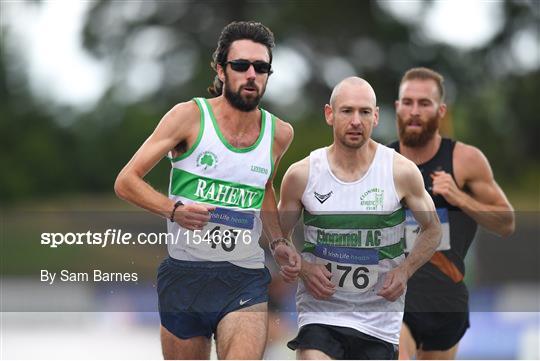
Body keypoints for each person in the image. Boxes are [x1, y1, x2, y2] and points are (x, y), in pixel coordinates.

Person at [114, 21, 301, 360]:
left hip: (244, 277)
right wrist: (174, 210)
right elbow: (126, 181)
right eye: (241, 65)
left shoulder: (279, 133)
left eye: (261, 68)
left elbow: (265, 189)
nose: (251, 75)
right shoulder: (188, 117)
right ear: (221, 69)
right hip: (186, 274)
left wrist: (278, 242)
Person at [278, 77, 442, 360]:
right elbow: (275, 236)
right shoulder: (302, 174)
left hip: (378, 320)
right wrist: (303, 267)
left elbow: (432, 229)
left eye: (364, 112)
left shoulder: (400, 171)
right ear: (330, 114)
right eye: (347, 111)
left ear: (376, 116)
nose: (356, 120)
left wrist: (404, 271)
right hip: (321, 313)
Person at [388, 67, 515, 360]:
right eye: (407, 102)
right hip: (396, 296)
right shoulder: (382, 161)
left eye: (424, 103)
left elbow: (506, 223)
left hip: (446, 299)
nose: (414, 111)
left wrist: (459, 198)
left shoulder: (464, 160)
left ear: (440, 110)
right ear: (397, 107)